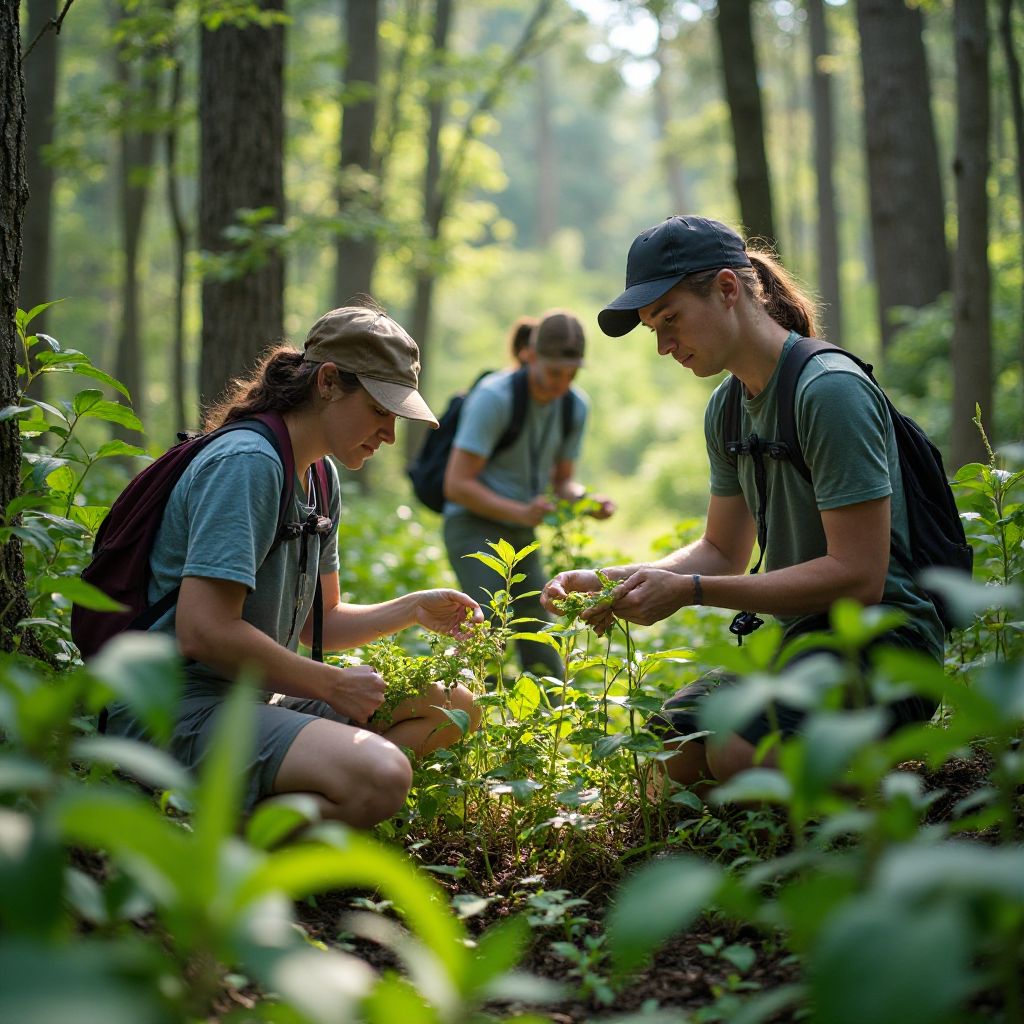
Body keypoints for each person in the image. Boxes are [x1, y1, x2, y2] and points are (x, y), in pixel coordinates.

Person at [542, 215, 943, 791]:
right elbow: (722, 550)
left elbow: (859, 578)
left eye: (671, 319)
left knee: (743, 754)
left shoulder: (828, 390)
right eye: (654, 329)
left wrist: (690, 593)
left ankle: (872, 819)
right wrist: (611, 580)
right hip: (803, 643)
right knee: (665, 758)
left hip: (887, 643)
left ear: (729, 289)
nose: (663, 346)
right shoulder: (727, 409)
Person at [105, 304, 484, 828]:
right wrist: (330, 684)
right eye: (380, 411)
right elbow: (204, 632)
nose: (390, 434)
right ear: (329, 382)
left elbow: (318, 621)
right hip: (174, 709)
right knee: (382, 775)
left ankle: (257, 815)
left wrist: (412, 609)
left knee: (454, 708)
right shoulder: (248, 465)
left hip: (253, 700)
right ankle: (221, 849)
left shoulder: (319, 476)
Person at [443, 309, 616, 678]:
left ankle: (551, 723)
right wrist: (519, 511)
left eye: (572, 374)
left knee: (540, 629)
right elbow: (456, 484)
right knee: (485, 626)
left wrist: (588, 502)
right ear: (530, 355)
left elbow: (563, 482)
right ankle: (466, 712)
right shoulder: (495, 398)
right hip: (472, 523)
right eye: (555, 372)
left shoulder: (574, 405)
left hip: (521, 530)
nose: (562, 384)